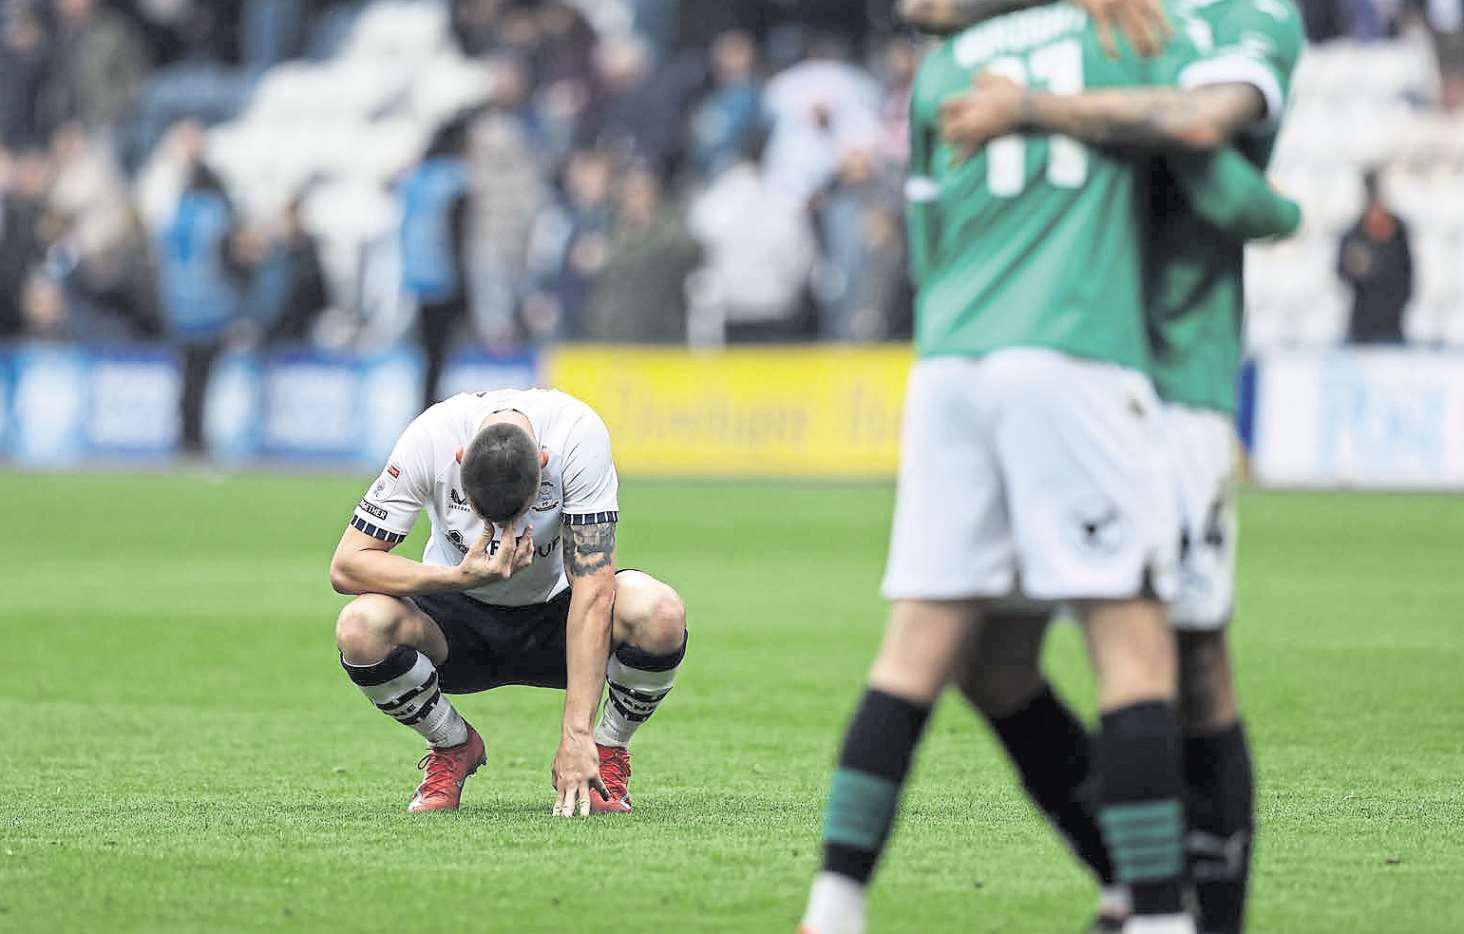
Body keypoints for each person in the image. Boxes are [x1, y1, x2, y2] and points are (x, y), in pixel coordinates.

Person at [799, 2, 1301, 932]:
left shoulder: (965, 63)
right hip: (1089, 358)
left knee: (946, 644)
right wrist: (1289, 212)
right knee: (1101, 646)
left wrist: (1027, 115)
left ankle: (835, 907)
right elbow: (1228, 184)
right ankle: (1153, 906)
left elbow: (926, 246)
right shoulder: (1125, 34)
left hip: (1009, 360)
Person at [328, 388, 688, 817]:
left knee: (660, 612)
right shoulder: (430, 437)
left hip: (559, 619)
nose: (503, 530)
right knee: (360, 626)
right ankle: (451, 743)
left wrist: (578, 735)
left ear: (543, 462)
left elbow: (593, 592)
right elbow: (347, 565)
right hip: (453, 622)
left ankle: (606, 753)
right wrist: (457, 577)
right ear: (459, 458)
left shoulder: (577, 436)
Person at [156, 156, 242, 454]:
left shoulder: (175, 212)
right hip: (211, 306)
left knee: (186, 375)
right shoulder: (217, 214)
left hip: (177, 306)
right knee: (203, 377)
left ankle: (185, 435)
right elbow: (227, 260)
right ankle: (197, 437)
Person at [399, 119, 471, 410]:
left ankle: (425, 407)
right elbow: (459, 234)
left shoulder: (417, 179)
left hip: (417, 279)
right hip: (447, 279)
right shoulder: (455, 179)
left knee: (428, 355)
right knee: (444, 353)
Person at [1338, 170, 1413, 345]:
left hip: (1392, 321)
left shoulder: (1398, 230)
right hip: (1363, 325)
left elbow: (1407, 272)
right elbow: (1342, 272)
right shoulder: (1354, 233)